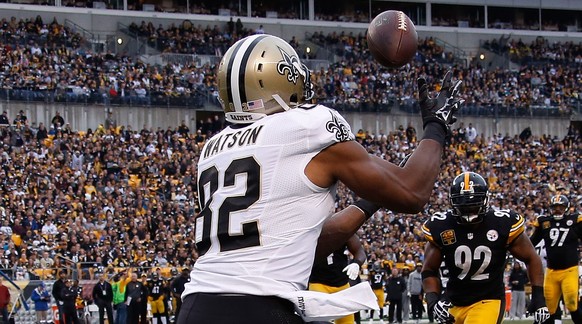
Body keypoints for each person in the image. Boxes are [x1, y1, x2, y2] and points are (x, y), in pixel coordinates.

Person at [179, 33, 463, 323]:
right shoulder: (304, 125)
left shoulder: (213, 148)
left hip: (196, 307)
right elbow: (413, 192)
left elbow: (304, 245)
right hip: (259, 307)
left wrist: (371, 200)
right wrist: (436, 128)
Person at [421, 171, 550, 324]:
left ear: (485, 201)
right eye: (464, 206)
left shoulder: (501, 223)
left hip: (488, 300)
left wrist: (538, 297)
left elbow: (531, 258)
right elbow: (429, 270)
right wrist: (433, 302)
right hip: (453, 301)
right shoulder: (441, 226)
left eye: (474, 205)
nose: (469, 211)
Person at [530, 194, 582, 323]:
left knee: (571, 303)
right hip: (551, 271)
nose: (558, 209)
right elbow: (531, 243)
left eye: (561, 207)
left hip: (570, 270)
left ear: (567, 208)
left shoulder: (575, 221)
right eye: (555, 207)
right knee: (549, 308)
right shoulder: (544, 222)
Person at [309, 234, 366, 324]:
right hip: (318, 282)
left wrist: (357, 263)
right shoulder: (312, 230)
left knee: (346, 322)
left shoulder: (342, 229)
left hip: (342, 284)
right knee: (318, 320)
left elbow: (359, 251)